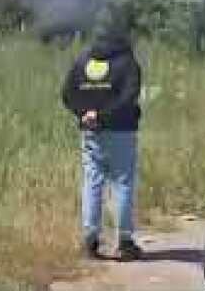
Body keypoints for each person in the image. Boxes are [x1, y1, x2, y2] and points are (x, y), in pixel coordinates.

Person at [61, 25, 143, 262]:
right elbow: (129, 97)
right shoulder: (127, 63)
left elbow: (67, 93)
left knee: (92, 183)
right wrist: (103, 115)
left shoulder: (83, 60)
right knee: (123, 183)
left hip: (91, 133)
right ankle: (125, 243)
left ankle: (90, 241)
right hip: (121, 131)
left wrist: (84, 113)